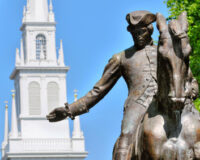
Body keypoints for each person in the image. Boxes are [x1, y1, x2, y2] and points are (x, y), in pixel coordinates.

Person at [47, 10, 199, 160]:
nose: (137, 36)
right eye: (134, 32)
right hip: (137, 106)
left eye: (141, 32)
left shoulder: (165, 51)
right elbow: (98, 91)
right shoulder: (121, 58)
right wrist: (69, 110)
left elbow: (188, 77)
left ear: (149, 30)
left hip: (168, 100)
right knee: (126, 137)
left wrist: (192, 89)